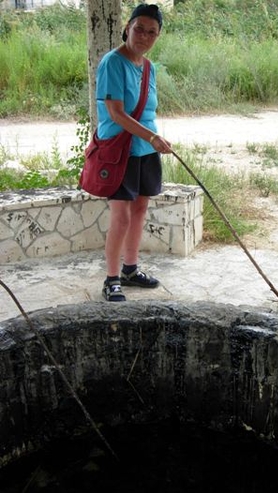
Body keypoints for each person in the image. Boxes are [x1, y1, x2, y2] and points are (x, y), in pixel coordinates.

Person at [96, 3, 172, 302]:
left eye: (152, 32)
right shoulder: (112, 62)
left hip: (145, 150)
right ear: (127, 27)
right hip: (119, 150)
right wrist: (153, 137)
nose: (144, 36)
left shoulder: (148, 67)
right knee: (122, 217)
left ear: (157, 36)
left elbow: (147, 111)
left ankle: (130, 269)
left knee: (140, 210)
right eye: (139, 28)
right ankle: (111, 278)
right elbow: (116, 113)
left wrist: (153, 140)